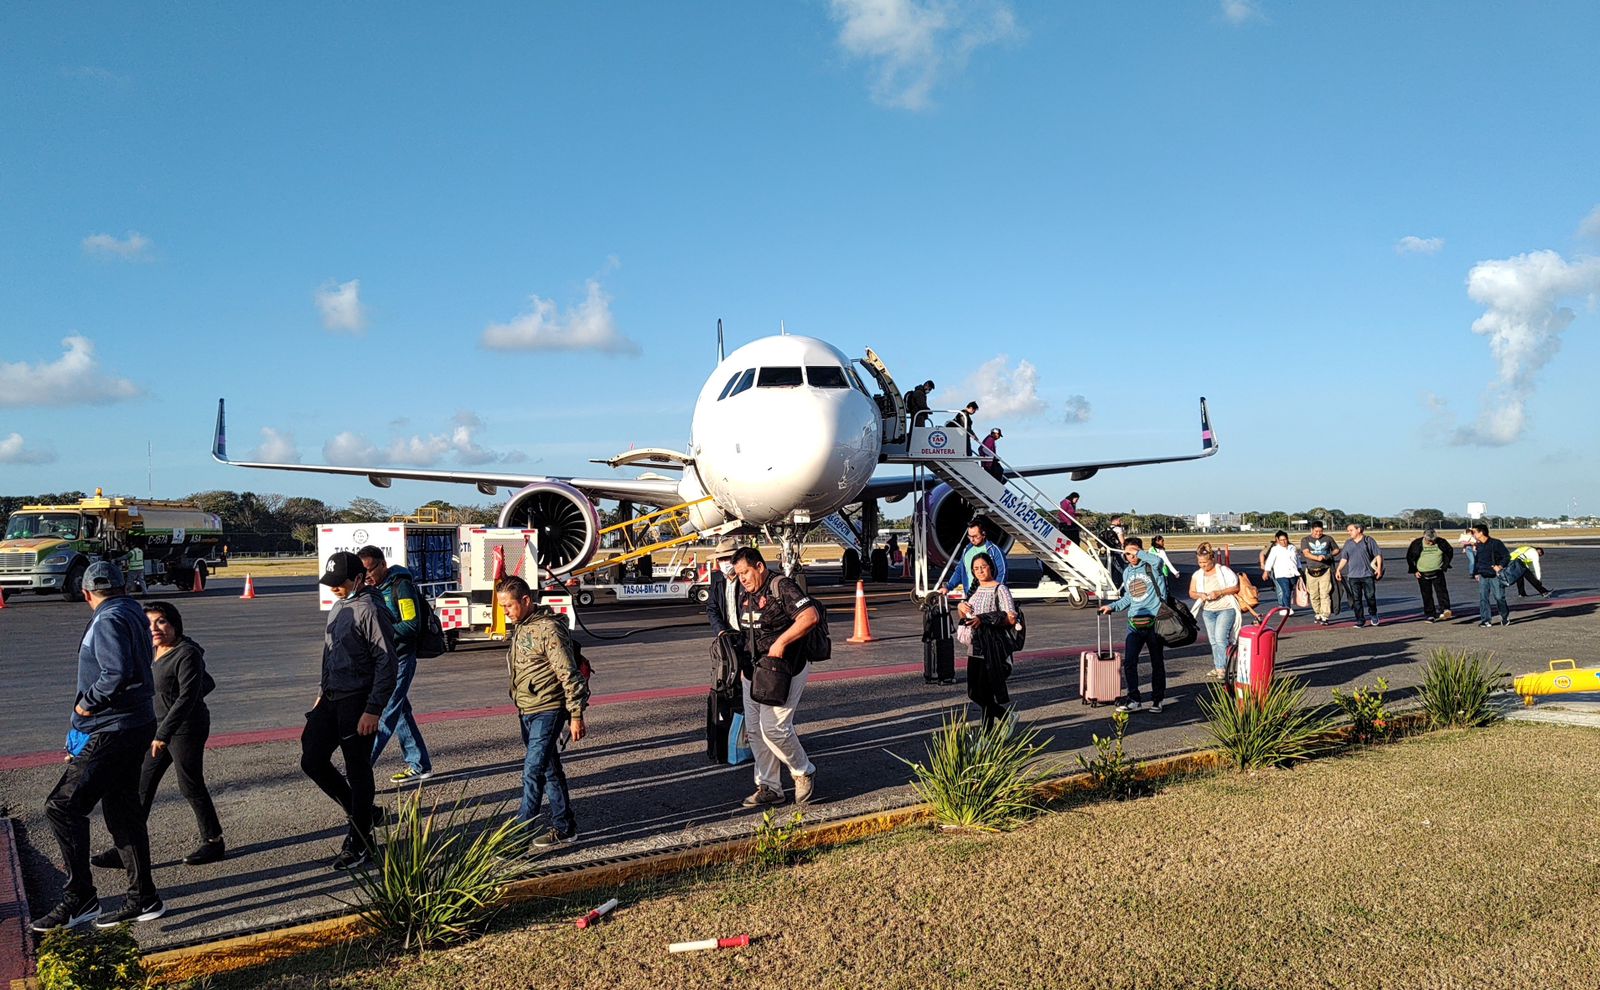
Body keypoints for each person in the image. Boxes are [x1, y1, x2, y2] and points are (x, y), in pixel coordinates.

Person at [33, 562, 165, 932]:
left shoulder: (107, 619)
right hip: (135, 723)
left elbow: (116, 672)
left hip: (110, 728)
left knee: (62, 806)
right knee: (123, 811)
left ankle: (81, 898)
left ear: (87, 593)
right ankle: (144, 897)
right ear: (123, 586)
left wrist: (87, 703)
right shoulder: (132, 612)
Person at [91, 601, 224, 872]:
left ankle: (214, 841)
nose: (155, 628)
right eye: (148, 623)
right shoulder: (151, 651)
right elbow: (206, 683)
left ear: (174, 623)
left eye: (161, 621)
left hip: (186, 728)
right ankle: (127, 848)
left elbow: (189, 695)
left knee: (190, 783)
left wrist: (165, 729)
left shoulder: (186, 653)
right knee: (142, 785)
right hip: (157, 729)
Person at [302, 551, 398, 871]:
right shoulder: (340, 605)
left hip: (357, 700)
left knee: (357, 769)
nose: (334, 588)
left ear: (358, 579)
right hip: (331, 696)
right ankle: (365, 813)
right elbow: (330, 654)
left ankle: (359, 841)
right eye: (330, 583)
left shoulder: (371, 609)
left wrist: (373, 709)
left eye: (340, 583)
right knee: (312, 758)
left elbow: (387, 662)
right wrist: (320, 695)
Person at [498, 576, 589, 850]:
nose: (505, 612)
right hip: (526, 709)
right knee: (549, 769)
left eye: (509, 606)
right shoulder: (522, 627)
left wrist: (575, 715)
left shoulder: (548, 629)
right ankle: (565, 827)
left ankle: (519, 835)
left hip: (548, 709)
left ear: (526, 601)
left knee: (533, 770)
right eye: (502, 607)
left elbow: (568, 674)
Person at [731, 547, 821, 808]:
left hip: (784, 670)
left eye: (745, 572)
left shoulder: (781, 586)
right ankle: (769, 786)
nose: (742, 578)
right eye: (738, 574)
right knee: (755, 732)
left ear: (759, 566)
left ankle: (803, 770)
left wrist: (781, 644)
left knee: (774, 728)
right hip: (754, 671)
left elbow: (809, 616)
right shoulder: (745, 594)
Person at [357, 546, 433, 784]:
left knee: (385, 713)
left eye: (370, 570)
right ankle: (419, 763)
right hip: (383, 660)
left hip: (400, 659)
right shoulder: (373, 589)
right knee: (400, 712)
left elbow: (411, 625)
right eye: (363, 571)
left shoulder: (402, 587)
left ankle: (360, 767)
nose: (367, 576)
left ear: (383, 565)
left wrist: (381, 634)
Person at [1100, 539, 1169, 713]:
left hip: (1155, 621)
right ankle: (1134, 699)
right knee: (1130, 662)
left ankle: (1157, 699)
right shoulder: (1127, 572)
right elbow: (1129, 597)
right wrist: (1112, 607)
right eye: (1128, 553)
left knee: (1157, 662)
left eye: (1134, 553)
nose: (1131, 556)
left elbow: (1159, 561)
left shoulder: (1152, 566)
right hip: (1134, 623)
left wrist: (1138, 552)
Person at [955, 552, 1018, 728]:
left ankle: (986, 738)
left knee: (987, 692)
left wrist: (984, 619)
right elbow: (965, 615)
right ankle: (1006, 717)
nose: (980, 571)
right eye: (976, 568)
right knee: (974, 692)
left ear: (991, 566)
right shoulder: (974, 589)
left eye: (983, 566)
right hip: (975, 646)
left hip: (992, 646)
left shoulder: (1000, 589)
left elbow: (1011, 618)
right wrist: (961, 606)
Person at [1189, 546, 1241, 679]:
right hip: (1208, 611)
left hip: (1226, 608)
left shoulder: (1223, 571)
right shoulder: (1197, 574)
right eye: (1200, 562)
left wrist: (1219, 592)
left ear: (1212, 559)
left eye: (1205, 562)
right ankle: (1218, 666)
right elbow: (1191, 592)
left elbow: (1236, 587)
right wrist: (1200, 595)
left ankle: (1222, 668)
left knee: (1220, 638)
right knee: (1213, 641)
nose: (1202, 565)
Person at [945, 518, 1008, 597]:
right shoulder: (967, 551)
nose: (972, 540)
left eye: (975, 536)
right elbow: (959, 571)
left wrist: (996, 592)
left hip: (989, 595)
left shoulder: (994, 551)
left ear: (983, 534)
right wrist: (948, 587)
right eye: (969, 536)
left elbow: (1002, 573)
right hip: (971, 595)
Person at [1335, 524, 1384, 627]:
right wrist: (1338, 570)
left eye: (1351, 530)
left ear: (1358, 530)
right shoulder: (1348, 543)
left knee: (1370, 597)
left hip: (1367, 575)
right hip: (1353, 576)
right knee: (1356, 599)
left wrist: (1379, 568)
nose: (1349, 532)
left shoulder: (1368, 540)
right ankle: (1360, 620)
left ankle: (1373, 614)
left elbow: (1378, 555)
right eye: (1348, 530)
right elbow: (1344, 558)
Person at [1404, 528, 1455, 622]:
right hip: (1422, 572)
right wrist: (1414, 570)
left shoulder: (1442, 542)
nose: (1431, 543)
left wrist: (1445, 565)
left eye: (1433, 541)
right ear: (1424, 537)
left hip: (1438, 571)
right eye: (1429, 541)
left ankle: (1445, 609)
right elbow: (1409, 557)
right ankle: (1430, 614)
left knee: (1442, 591)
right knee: (1426, 594)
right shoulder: (1417, 543)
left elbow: (1449, 552)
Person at [1298, 522, 1340, 625]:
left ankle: (1325, 615)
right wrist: (1317, 558)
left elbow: (1336, 550)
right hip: (1311, 571)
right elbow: (1306, 553)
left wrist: (1328, 555)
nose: (1318, 533)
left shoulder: (1328, 539)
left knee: (1325, 594)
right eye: (1316, 531)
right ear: (1312, 530)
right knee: (1313, 594)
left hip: (1325, 570)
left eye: (1320, 531)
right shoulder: (1305, 540)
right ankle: (1318, 613)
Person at [1470, 525, 1512, 627]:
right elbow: (1477, 560)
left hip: (1495, 575)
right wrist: (1476, 572)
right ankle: (1486, 620)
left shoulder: (1496, 543)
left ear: (1481, 532)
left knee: (1499, 597)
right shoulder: (1478, 545)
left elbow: (1507, 556)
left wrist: (1500, 566)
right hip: (1483, 575)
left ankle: (1505, 617)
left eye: (1474, 532)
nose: (1473, 534)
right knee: (1483, 598)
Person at [705, 538, 741, 636]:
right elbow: (712, 608)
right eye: (721, 559)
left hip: (747, 635)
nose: (724, 562)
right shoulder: (717, 579)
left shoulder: (745, 579)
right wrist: (720, 631)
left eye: (727, 558)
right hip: (727, 635)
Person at [1261, 531, 1300, 615]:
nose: (1283, 542)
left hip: (1293, 573)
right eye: (1281, 540)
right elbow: (1270, 561)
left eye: (1285, 539)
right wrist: (1266, 571)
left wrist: (1300, 569)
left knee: (1289, 591)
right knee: (1286, 591)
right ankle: (1287, 608)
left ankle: (1284, 606)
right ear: (1277, 540)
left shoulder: (1292, 547)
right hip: (1281, 574)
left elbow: (1297, 560)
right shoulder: (1275, 549)